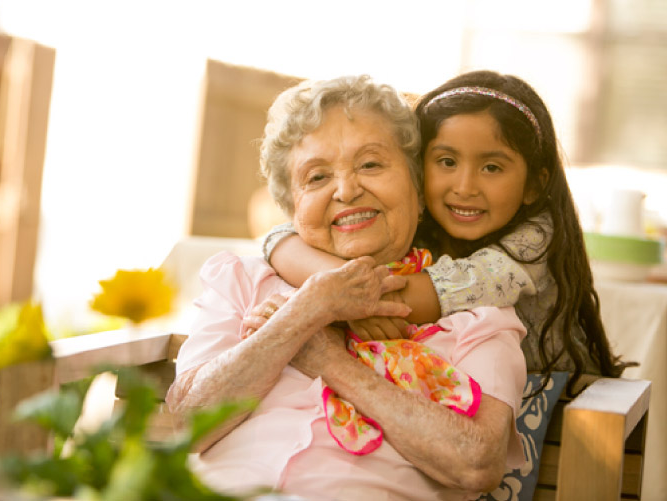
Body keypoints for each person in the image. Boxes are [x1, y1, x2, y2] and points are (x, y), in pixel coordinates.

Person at [166, 75, 528, 501]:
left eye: (370, 164)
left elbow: (476, 464)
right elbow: (189, 426)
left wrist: (328, 361)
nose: (347, 189)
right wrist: (307, 311)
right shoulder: (243, 281)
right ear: (292, 209)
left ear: (417, 189)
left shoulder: (477, 315)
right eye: (316, 177)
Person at [260, 70, 629, 394]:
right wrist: (337, 291)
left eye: (492, 167)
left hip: (556, 415)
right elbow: (279, 238)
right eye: (447, 162)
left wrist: (342, 298)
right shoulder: (419, 220)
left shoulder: (533, 244)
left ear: (534, 183)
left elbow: (412, 298)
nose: (465, 186)